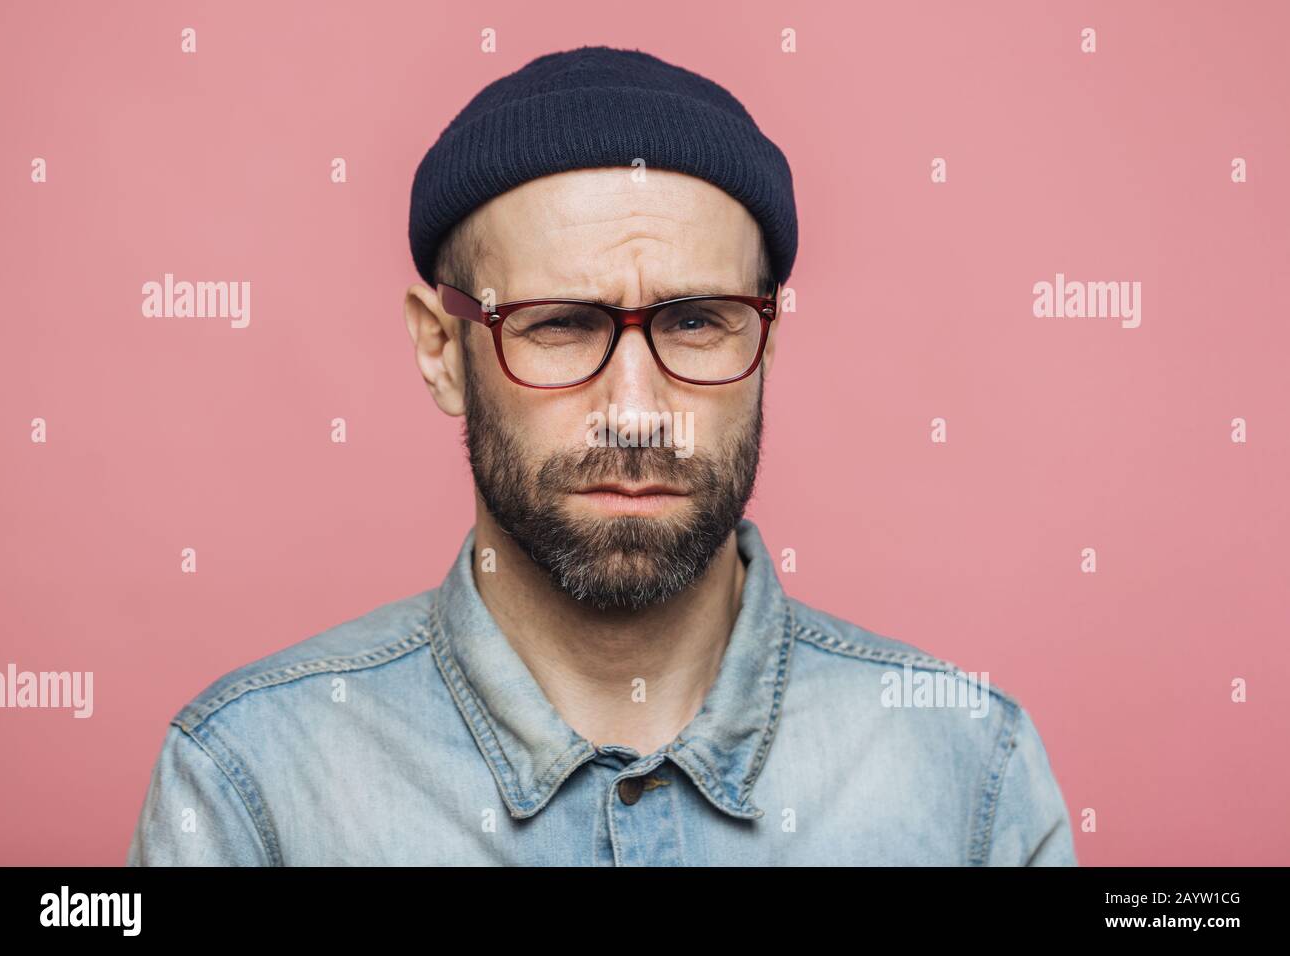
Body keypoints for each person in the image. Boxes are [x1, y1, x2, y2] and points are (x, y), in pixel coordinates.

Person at [127, 44, 1076, 866]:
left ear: (767, 346)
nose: (636, 413)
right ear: (439, 350)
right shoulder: (251, 785)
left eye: (698, 321)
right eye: (561, 326)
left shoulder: (967, 771)